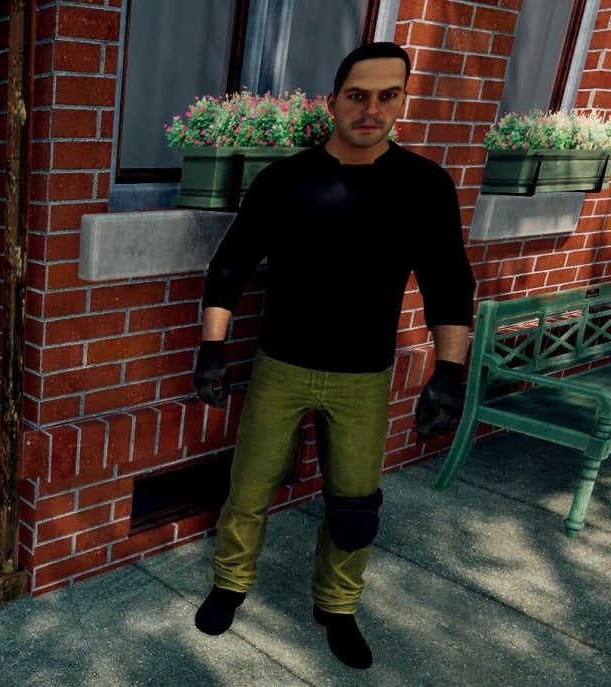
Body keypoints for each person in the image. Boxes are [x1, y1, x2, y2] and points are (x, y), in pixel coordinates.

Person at [190, 42, 476, 670]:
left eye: (387, 96)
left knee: (355, 507)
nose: (371, 109)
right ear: (333, 102)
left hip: (363, 376)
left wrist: (449, 373)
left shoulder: (424, 186)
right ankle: (230, 584)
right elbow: (230, 265)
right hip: (280, 365)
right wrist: (212, 348)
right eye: (357, 95)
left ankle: (338, 607)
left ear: (402, 101)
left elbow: (449, 282)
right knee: (249, 488)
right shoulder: (285, 179)